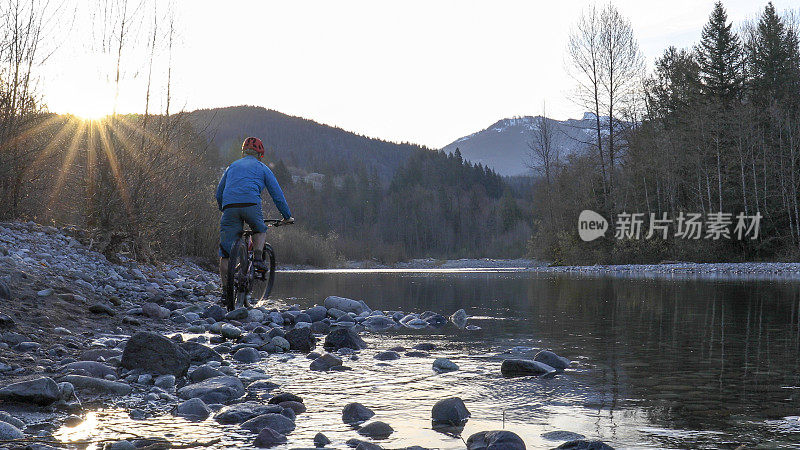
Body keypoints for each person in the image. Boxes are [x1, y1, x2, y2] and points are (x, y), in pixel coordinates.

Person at [216, 137, 293, 296]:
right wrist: (287, 216)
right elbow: (277, 195)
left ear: (243, 152)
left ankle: (225, 293)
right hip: (251, 205)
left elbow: (219, 193)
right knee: (259, 229)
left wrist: (223, 208)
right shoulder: (263, 168)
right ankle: (258, 258)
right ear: (260, 155)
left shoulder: (231, 167)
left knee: (225, 253)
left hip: (229, 207)